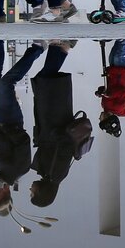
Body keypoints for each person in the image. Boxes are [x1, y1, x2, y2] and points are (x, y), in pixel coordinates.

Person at [0, 40, 42, 203]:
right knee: (5, 83)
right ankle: (37, 50)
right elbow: (23, 142)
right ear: (6, 192)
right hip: (8, 120)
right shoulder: (19, 169)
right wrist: (4, 130)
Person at [30, 40, 87, 207]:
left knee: (45, 79)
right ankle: (62, 47)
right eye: (32, 193)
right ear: (41, 192)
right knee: (45, 80)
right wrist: (52, 134)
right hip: (55, 116)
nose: (30, 189)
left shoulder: (51, 175)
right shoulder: (55, 173)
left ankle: (61, 47)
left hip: (50, 118)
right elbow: (65, 146)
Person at [96, 39, 125, 137]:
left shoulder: (105, 106)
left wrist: (101, 92)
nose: (99, 118)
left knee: (112, 57)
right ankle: (124, 38)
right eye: (101, 120)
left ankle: (119, 39)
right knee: (118, 57)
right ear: (107, 119)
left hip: (114, 76)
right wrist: (110, 94)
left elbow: (107, 90)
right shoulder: (119, 108)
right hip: (122, 77)